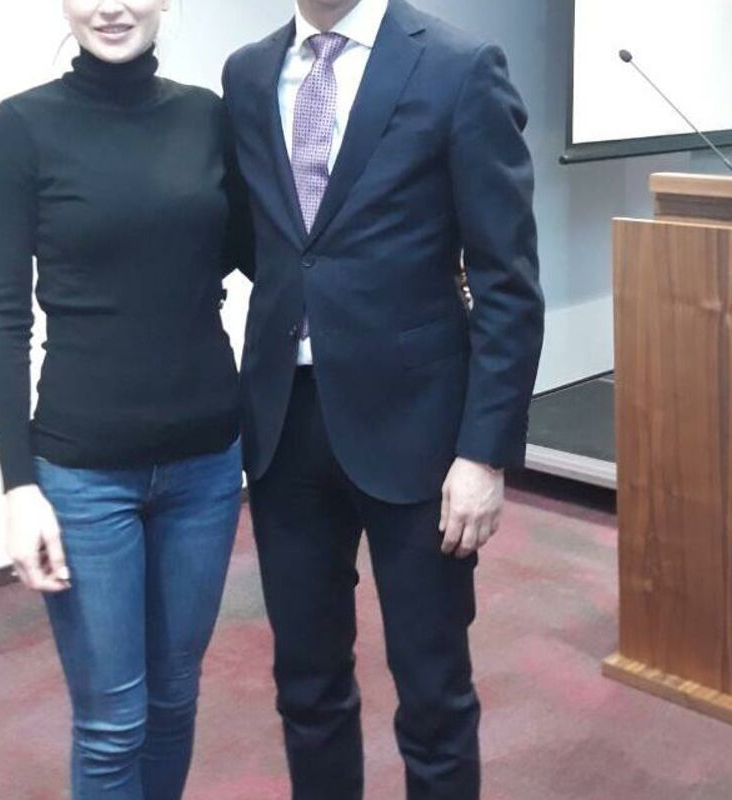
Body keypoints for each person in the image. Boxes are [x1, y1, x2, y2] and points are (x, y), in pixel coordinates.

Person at [221, 0, 544, 797]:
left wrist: (483, 453)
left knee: (434, 694)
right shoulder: (248, 73)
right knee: (307, 685)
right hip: (284, 425)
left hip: (419, 435)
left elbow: (507, 283)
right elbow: (269, 242)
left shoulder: (459, 67)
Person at [0, 1, 251, 797]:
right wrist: (18, 486)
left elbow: (268, 259)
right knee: (111, 724)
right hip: (84, 475)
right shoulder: (21, 129)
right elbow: (4, 320)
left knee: (174, 699)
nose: (111, 6)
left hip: (206, 465)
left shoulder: (208, 119)